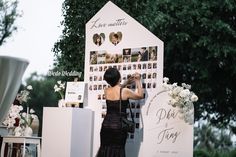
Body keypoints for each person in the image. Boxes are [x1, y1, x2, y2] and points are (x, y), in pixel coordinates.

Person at [96, 67, 144, 157]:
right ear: (119, 77)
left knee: (105, 149)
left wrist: (126, 82)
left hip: (106, 125)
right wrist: (138, 80)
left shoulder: (106, 91)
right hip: (118, 126)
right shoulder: (124, 91)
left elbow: (117, 88)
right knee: (117, 151)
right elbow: (140, 95)